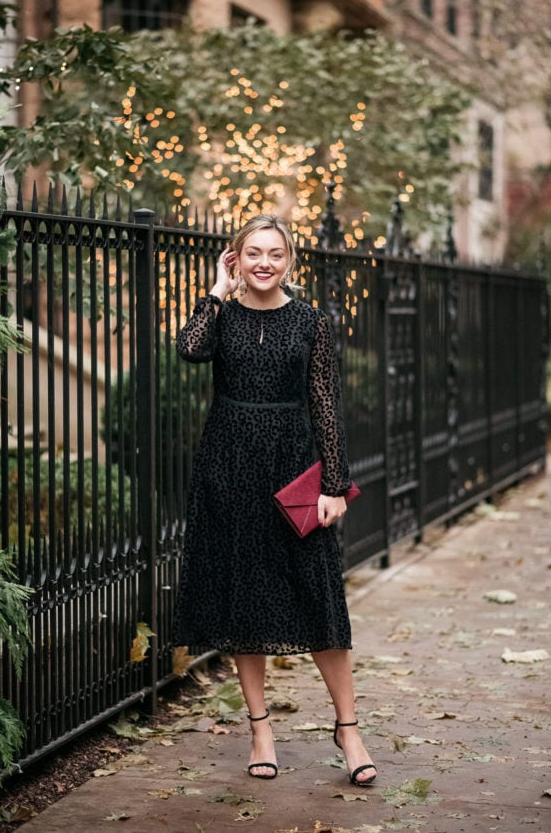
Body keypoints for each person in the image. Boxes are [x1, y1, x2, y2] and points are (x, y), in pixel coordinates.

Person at [172, 214, 376, 786]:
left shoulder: (310, 321)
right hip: (229, 467)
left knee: (319, 597)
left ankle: (349, 729)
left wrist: (334, 485)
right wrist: (217, 289)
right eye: (252, 253)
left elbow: (326, 405)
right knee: (246, 599)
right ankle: (261, 728)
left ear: (290, 261)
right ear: (236, 257)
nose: (265, 263)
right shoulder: (222, 317)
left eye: (276, 254)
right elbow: (189, 350)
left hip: (291, 467)